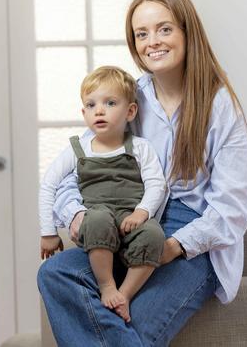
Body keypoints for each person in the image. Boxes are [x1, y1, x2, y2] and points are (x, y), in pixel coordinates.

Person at [38, 0, 247, 346]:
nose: (151, 42)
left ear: (188, 33)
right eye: (141, 34)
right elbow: (75, 170)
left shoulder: (222, 109)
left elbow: (231, 212)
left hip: (192, 240)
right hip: (131, 224)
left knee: (134, 326)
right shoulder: (128, 99)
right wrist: (77, 216)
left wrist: (171, 247)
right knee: (55, 273)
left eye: (164, 29)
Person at [38, 66, 167, 323]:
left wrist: (142, 212)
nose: (99, 110)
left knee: (154, 235)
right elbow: (48, 184)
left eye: (110, 103)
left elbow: (157, 184)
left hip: (130, 217)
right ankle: (107, 285)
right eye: (91, 104)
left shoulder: (140, 147)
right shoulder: (78, 149)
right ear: (83, 112)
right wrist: (48, 232)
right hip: (97, 218)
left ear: (130, 111)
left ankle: (125, 294)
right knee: (96, 220)